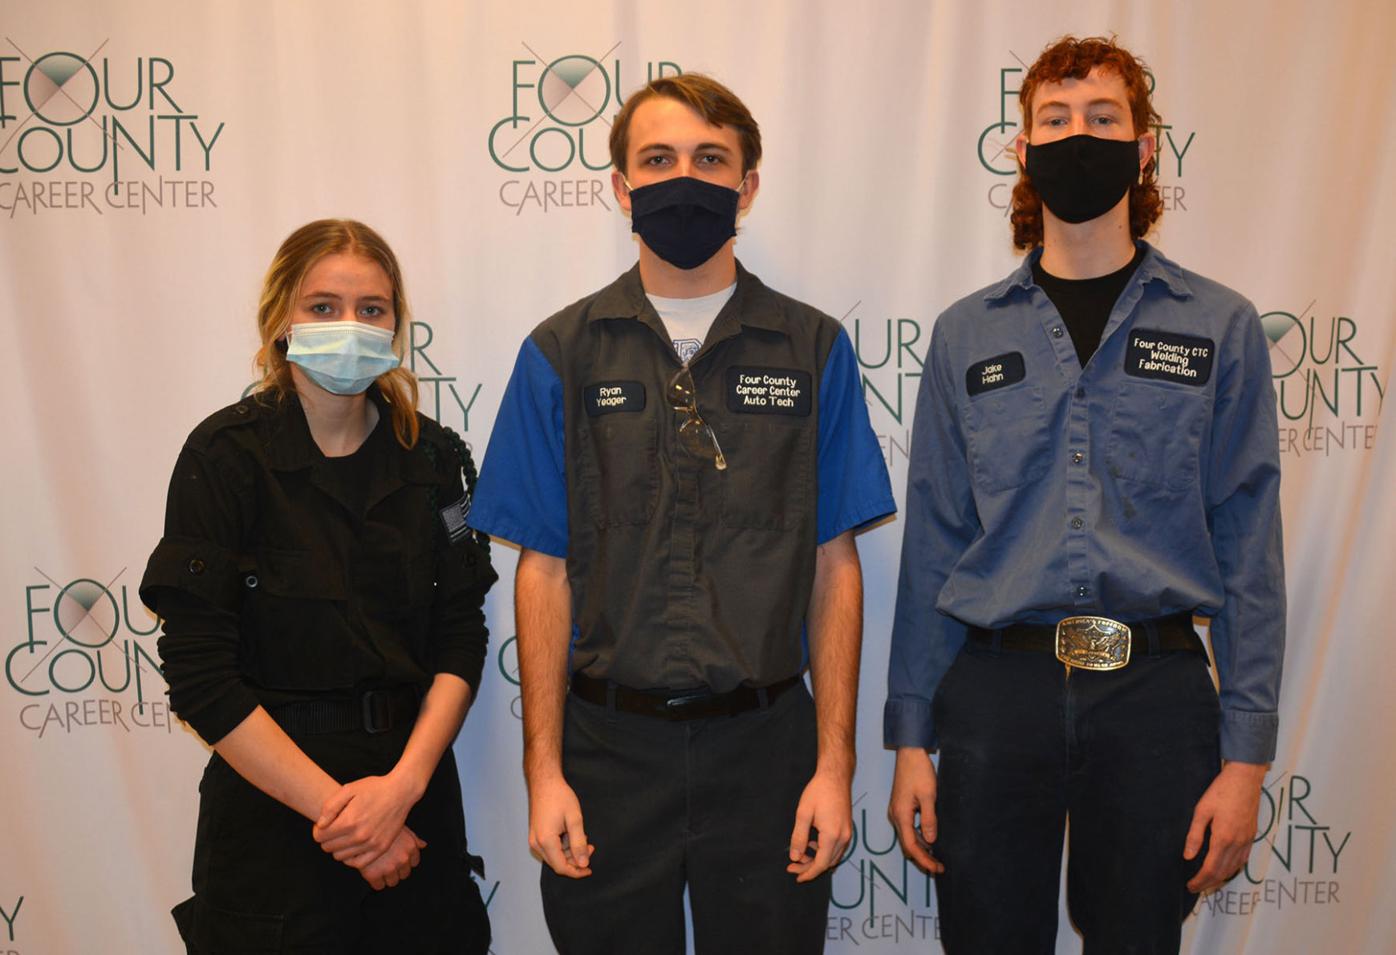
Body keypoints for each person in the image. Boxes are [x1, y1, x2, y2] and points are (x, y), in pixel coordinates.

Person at [470, 73, 895, 955]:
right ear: (621, 186)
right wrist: (543, 772)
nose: (684, 178)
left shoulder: (813, 347)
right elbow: (542, 570)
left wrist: (834, 765)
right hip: (608, 754)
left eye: (710, 159)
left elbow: (834, 565)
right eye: (658, 159)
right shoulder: (561, 351)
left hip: (766, 750)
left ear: (748, 184)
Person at [885, 36, 1285, 954]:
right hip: (997, 691)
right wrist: (911, 737)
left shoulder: (1219, 325)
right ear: (1022, 149)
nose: (1079, 135)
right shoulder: (964, 334)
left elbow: (1248, 545)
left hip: (1156, 694)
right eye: (1055, 119)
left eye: (1104, 118)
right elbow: (936, 539)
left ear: (1144, 148)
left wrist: (1247, 760)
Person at [140, 219, 495, 954]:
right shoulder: (224, 457)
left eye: (372, 309)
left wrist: (400, 793)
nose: (349, 324)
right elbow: (200, 674)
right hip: (273, 818)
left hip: (413, 803)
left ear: (395, 326)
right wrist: (351, 821)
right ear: (281, 319)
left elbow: (461, 635)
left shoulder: (437, 458)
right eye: (324, 306)